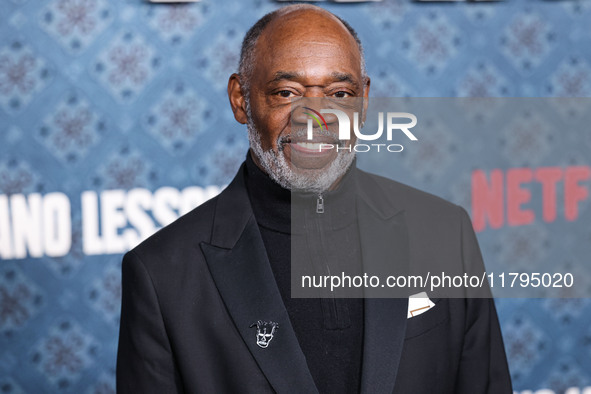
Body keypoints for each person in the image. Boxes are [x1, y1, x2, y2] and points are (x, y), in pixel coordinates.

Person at [117, 4, 513, 393]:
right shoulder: (162, 274)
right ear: (241, 99)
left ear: (364, 100)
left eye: (340, 93)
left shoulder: (445, 234)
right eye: (287, 92)